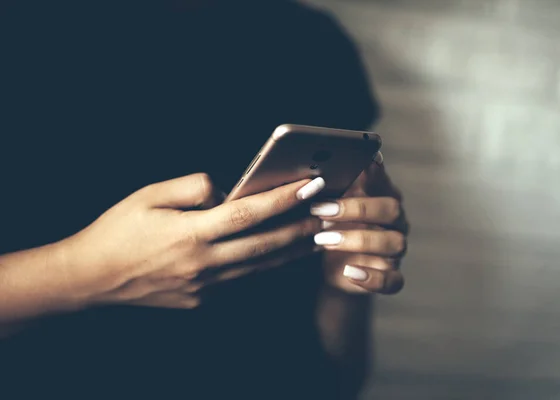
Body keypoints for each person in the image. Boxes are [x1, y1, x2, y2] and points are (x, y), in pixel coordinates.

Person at [0, 1, 409, 399]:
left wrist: (343, 288)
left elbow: (333, 384)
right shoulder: (22, 26)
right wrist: (80, 274)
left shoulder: (315, 45)